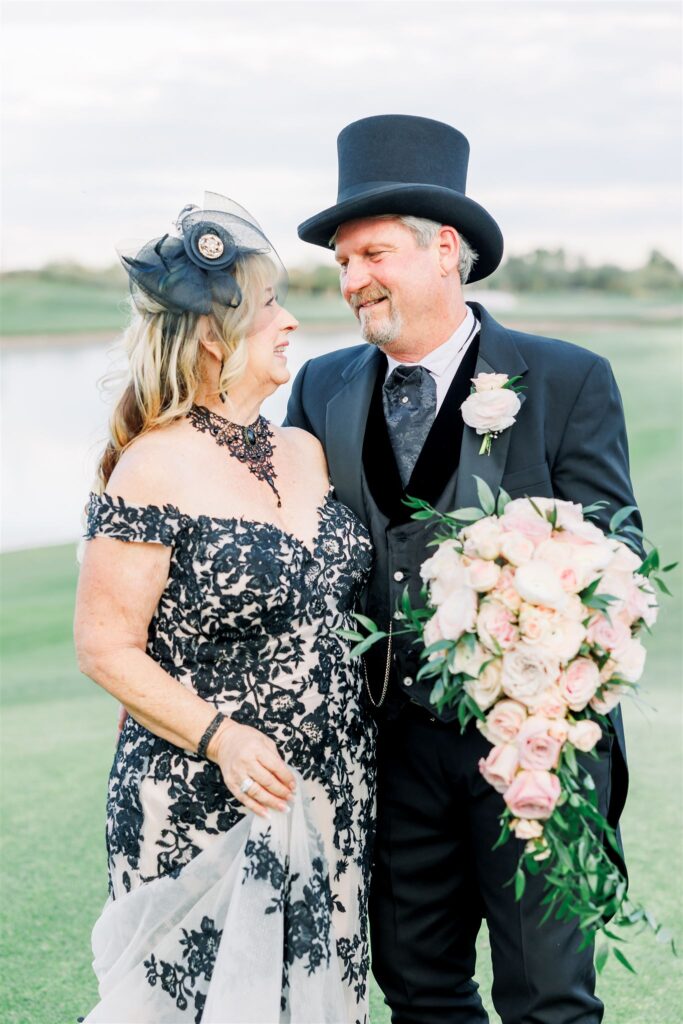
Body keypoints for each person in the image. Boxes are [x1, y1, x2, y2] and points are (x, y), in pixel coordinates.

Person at [285, 115, 640, 1024]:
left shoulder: (563, 377)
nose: (352, 281)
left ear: (445, 249)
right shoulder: (320, 385)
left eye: (370, 255)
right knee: (419, 991)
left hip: (529, 750)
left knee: (547, 997)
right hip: (386, 751)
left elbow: (617, 558)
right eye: (341, 264)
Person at [74, 193, 375, 1024]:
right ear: (214, 333)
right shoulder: (151, 465)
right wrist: (226, 737)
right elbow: (104, 646)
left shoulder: (305, 451)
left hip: (331, 796)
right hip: (204, 799)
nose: (290, 323)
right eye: (270, 304)